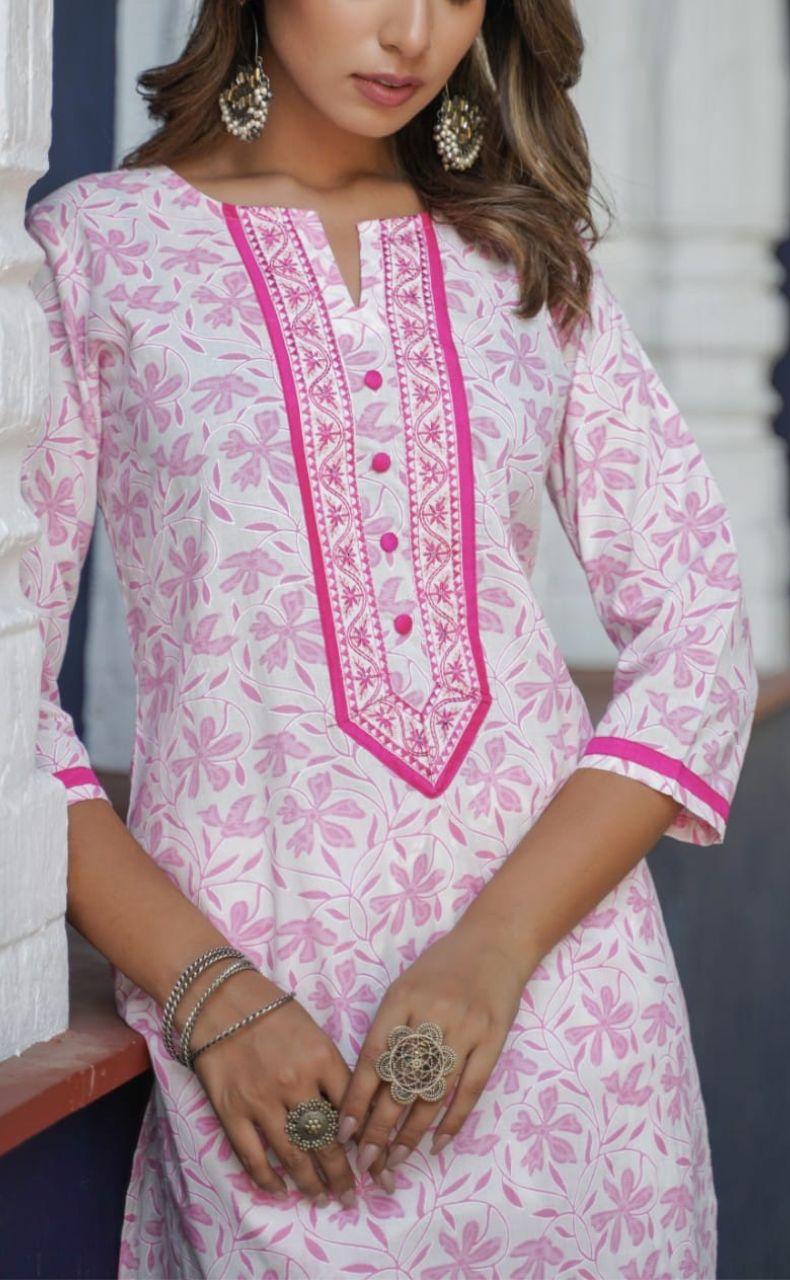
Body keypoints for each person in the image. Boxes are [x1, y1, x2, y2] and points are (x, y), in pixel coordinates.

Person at [19, 0, 759, 1275]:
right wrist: (209, 993)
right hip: (268, 1066)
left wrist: (493, 952)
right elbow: (3, 691)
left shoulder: (519, 255)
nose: (412, 31)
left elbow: (698, 632)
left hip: (570, 1043)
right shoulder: (100, 251)